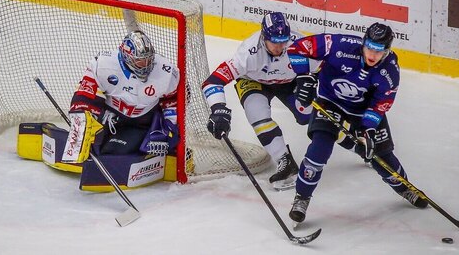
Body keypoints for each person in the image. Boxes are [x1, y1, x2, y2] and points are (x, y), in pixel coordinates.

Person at [286, 22, 429, 224]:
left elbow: (381, 103)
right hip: (330, 102)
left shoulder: (390, 71)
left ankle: (405, 188)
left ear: (387, 51)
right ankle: (301, 198)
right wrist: (303, 77)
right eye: (369, 47)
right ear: (363, 42)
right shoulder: (339, 45)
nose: (372, 54)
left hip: (363, 111)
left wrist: (368, 129)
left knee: (381, 156)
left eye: (379, 50)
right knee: (319, 149)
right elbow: (297, 48)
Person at [201, 12, 316, 190]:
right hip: (253, 81)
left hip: (290, 81)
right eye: (274, 42)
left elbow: (324, 68)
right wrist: (218, 109)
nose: (280, 47)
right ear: (263, 36)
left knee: (310, 115)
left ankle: (356, 143)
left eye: (283, 40)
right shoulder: (248, 53)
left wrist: (313, 84)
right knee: (257, 115)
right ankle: (284, 161)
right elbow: (213, 81)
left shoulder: (300, 45)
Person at [61, 30, 179, 167]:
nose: (146, 65)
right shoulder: (104, 64)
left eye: (148, 59)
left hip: (139, 124)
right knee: (94, 146)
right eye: (140, 61)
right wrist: (84, 122)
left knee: (112, 152)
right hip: (109, 118)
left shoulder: (167, 72)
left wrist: (167, 127)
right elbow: (85, 93)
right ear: (127, 57)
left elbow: (175, 100)